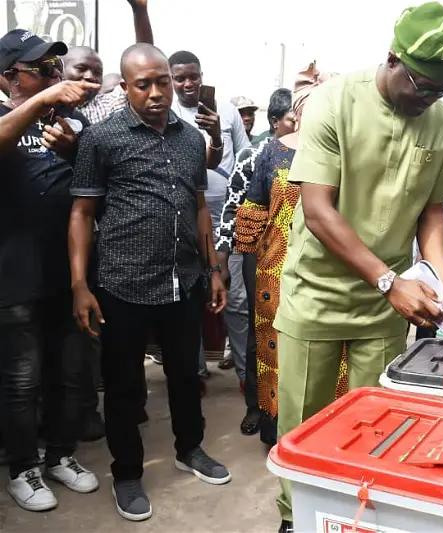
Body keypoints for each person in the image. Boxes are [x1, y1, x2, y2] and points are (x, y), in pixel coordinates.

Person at [272, 3, 443, 531]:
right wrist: (387, 280)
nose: (429, 100)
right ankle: (297, 517)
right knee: (302, 423)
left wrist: (442, 278)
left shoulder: (441, 119)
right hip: (318, 294)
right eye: (423, 86)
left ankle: (356, 516)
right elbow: (317, 209)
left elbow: (432, 212)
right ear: (393, 60)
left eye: (440, 91)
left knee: (375, 424)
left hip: (386, 304)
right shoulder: (335, 102)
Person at [69, 43, 231, 522]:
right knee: (124, 387)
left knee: (185, 374)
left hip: (183, 280)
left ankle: (190, 449)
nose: (158, 92)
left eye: (163, 81)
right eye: (145, 84)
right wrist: (80, 284)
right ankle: (127, 473)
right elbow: (81, 212)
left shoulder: (189, 139)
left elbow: (199, 205)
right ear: (126, 87)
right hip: (123, 283)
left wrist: (214, 268)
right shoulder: (102, 139)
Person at [0, 28, 99, 513]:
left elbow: (97, 180)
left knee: (71, 373)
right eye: (39, 68)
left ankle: (60, 455)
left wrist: (73, 152)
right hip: (14, 277)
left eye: (54, 68)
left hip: (70, 274)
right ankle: (22, 467)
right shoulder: (7, 117)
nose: (52, 76)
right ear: (6, 77)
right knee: (22, 379)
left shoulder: (72, 121)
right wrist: (40, 104)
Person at [234, 64, 343, 448]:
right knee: (274, 344)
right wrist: (245, 264)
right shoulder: (272, 153)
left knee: (330, 346)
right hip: (275, 266)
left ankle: (328, 427)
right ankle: (276, 425)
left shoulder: (344, 151)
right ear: (296, 111)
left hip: (330, 266)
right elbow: (255, 209)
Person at [59, 0, 154, 444]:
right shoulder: (48, 112)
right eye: (79, 71)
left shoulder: (108, 112)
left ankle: (107, 405)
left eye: (95, 72)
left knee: (100, 334)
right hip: (46, 242)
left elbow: (145, 58)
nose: (88, 80)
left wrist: (140, 10)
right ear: (59, 73)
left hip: (104, 244)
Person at [216, 88, 296, 435]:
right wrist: (227, 262)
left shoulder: (321, 152)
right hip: (261, 253)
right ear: (276, 121)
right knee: (260, 329)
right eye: (292, 117)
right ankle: (257, 407)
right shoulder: (255, 156)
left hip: (302, 253)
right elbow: (232, 210)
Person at [168, 50, 251, 383]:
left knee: (237, 301)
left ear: (202, 77)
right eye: (180, 78)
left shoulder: (227, 111)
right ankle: (196, 373)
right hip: (186, 222)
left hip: (228, 222)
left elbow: (245, 159)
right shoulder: (167, 114)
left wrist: (218, 131)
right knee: (189, 301)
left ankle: (248, 378)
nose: (188, 84)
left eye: (194, 77)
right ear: (171, 80)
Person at [62, 0, 152, 125]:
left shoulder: (108, 104)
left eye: (98, 72)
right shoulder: (45, 104)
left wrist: (139, 10)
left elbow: (144, 62)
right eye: (81, 68)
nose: (90, 77)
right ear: (61, 70)